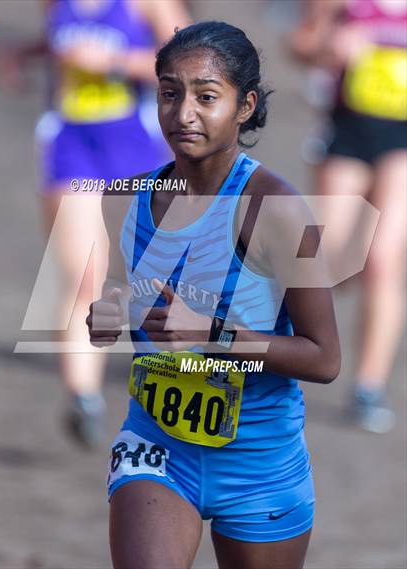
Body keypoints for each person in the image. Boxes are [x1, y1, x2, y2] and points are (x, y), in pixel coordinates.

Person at [87, 21, 341, 569]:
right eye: (170, 93)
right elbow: (116, 294)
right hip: (156, 446)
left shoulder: (275, 208)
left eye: (206, 97)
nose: (183, 114)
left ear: (245, 106)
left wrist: (213, 333)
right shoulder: (124, 198)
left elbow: (324, 359)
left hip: (259, 461)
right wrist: (106, 314)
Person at [0, 0, 190, 448]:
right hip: (71, 143)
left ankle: (180, 386)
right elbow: (63, 40)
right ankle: (84, 398)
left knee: (161, 277)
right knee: (84, 274)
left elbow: (193, 62)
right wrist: (26, 52)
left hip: (138, 143)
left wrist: (115, 62)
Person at [288, 0, 406, 434]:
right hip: (348, 131)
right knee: (330, 261)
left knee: (383, 259)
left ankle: (368, 388)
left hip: (403, 139)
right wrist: (328, 47)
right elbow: (300, 44)